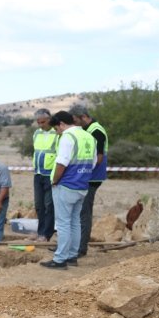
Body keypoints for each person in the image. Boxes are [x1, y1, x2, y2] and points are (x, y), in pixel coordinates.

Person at [40, 111, 96, 269]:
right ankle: (72, 256)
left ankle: (60, 259)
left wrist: (55, 180)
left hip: (66, 185)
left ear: (61, 124)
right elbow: (92, 163)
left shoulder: (67, 137)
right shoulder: (88, 136)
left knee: (63, 223)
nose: (57, 132)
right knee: (75, 222)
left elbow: (61, 163)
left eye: (57, 129)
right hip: (82, 185)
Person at [70, 104, 108, 257]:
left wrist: (81, 168)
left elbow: (98, 159)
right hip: (86, 176)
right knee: (78, 211)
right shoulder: (88, 130)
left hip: (92, 177)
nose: (75, 124)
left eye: (76, 120)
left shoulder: (96, 131)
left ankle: (81, 248)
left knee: (84, 212)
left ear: (83, 117)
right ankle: (74, 245)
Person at [31, 108, 58, 241]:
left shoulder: (57, 134)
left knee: (49, 205)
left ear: (49, 120)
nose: (41, 125)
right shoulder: (36, 133)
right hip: (38, 174)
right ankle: (40, 231)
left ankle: (47, 234)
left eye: (43, 122)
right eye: (38, 122)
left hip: (50, 175)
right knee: (39, 205)